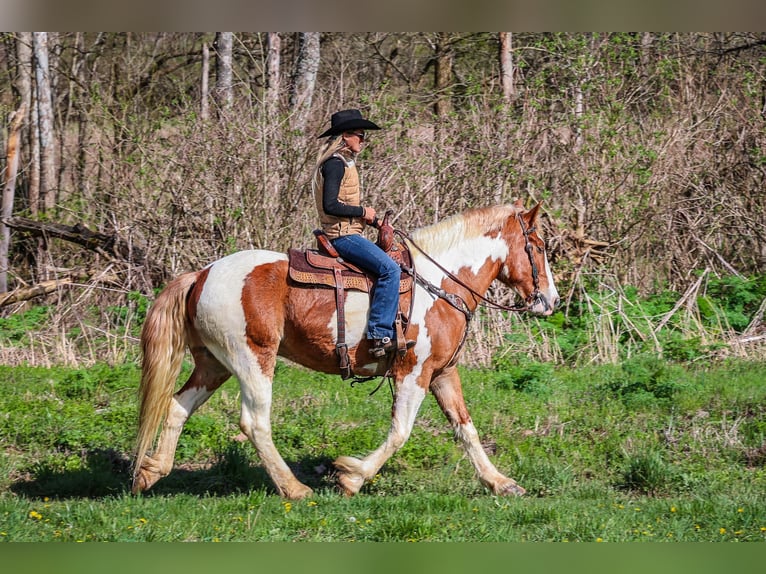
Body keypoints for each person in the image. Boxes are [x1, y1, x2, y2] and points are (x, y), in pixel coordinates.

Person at [313, 109, 409, 358]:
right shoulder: (335, 164)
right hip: (342, 236)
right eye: (360, 135)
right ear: (346, 136)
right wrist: (363, 211)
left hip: (348, 231)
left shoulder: (341, 162)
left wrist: (375, 221)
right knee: (390, 269)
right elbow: (330, 205)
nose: (363, 140)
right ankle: (379, 334)